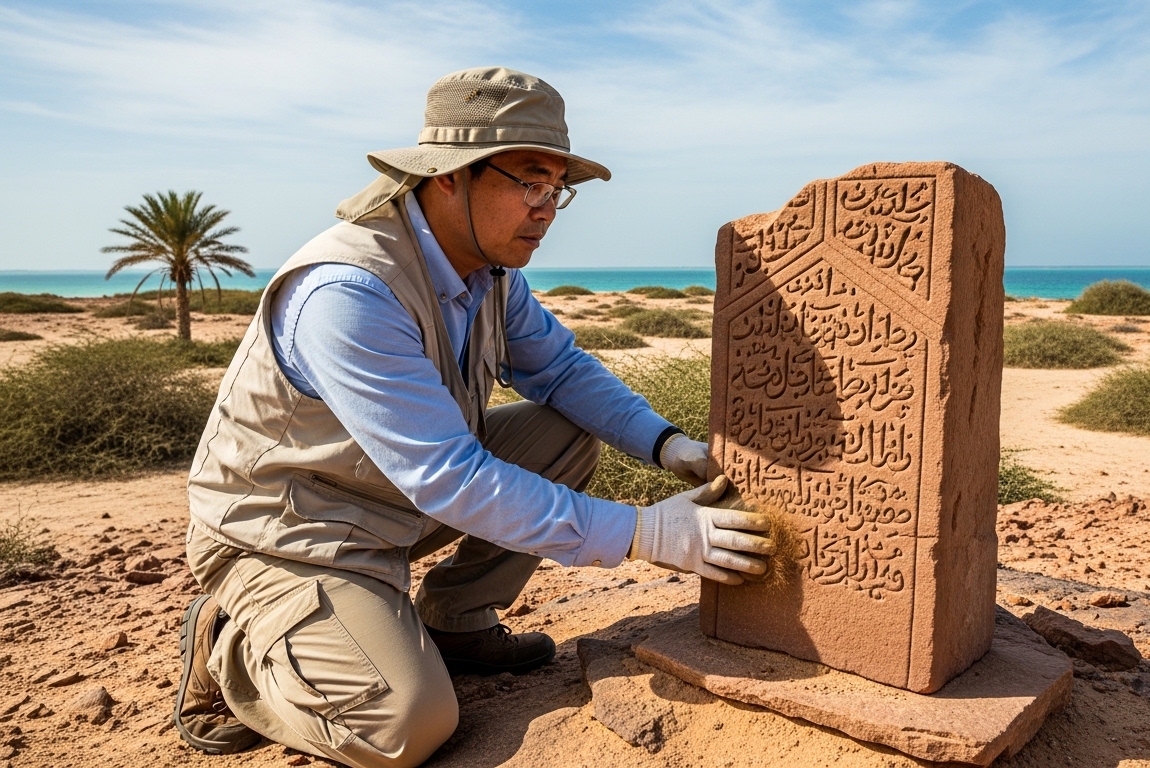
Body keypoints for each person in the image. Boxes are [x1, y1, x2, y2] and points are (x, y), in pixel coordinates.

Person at [174, 67, 774, 768]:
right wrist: (647, 532)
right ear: (447, 177)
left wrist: (666, 443)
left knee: (567, 425)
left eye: (558, 189)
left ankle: (455, 623)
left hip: (390, 501)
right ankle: (232, 648)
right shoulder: (348, 291)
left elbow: (560, 371)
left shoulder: (490, 273)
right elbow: (447, 479)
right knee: (402, 726)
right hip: (293, 531)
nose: (547, 208)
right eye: (529, 182)